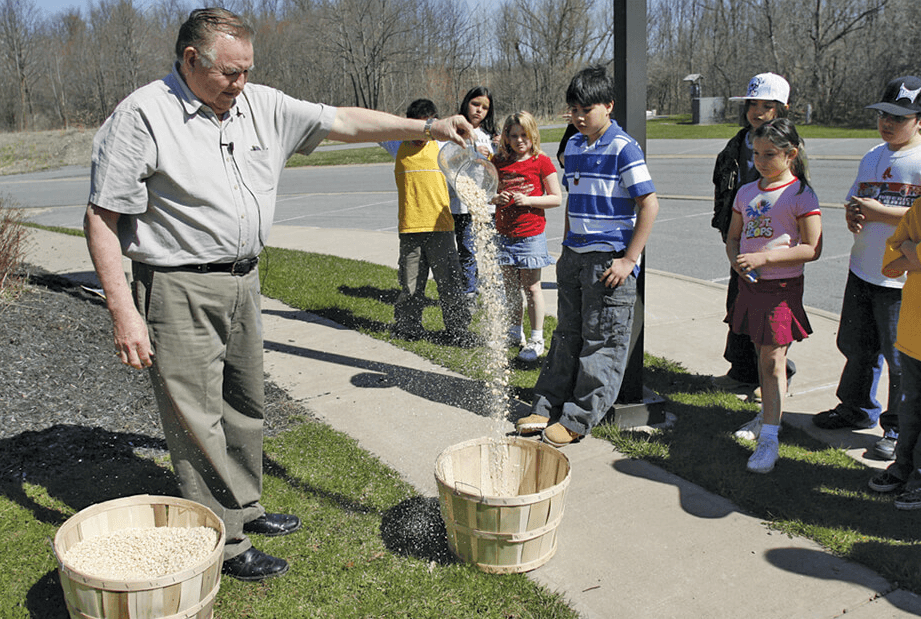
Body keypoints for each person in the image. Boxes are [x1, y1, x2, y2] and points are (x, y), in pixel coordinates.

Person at [83, 8, 472, 582]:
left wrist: (428, 129)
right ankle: (226, 540)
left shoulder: (259, 103)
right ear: (192, 60)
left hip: (245, 278)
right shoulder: (143, 115)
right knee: (197, 416)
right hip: (178, 284)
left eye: (247, 71)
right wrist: (123, 311)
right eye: (230, 74)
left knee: (244, 402)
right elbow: (102, 215)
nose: (240, 84)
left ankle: (246, 505)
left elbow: (342, 120)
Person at [513, 65, 659, 446]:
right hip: (574, 256)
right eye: (573, 110)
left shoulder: (623, 147)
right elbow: (574, 205)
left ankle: (579, 418)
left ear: (608, 106)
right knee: (567, 335)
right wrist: (565, 249)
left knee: (603, 341)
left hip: (608, 261)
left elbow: (649, 204)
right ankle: (545, 406)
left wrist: (629, 260)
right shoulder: (574, 146)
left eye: (586, 110)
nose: (578, 117)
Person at [813, 76, 921, 461]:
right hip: (862, 269)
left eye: (899, 117)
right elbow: (856, 199)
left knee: (899, 360)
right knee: (856, 346)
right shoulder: (873, 154)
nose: (887, 123)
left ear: (919, 120)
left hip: (901, 278)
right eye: (883, 115)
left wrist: (879, 212)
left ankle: (895, 427)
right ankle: (854, 407)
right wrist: (854, 213)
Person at [725, 118, 822, 473]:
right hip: (751, 285)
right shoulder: (747, 193)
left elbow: (812, 248)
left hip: (781, 289)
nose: (761, 161)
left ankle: (770, 438)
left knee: (772, 361)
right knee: (761, 356)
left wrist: (765, 257)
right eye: (756, 154)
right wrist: (737, 263)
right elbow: (734, 237)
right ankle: (768, 416)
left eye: (770, 154)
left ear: (790, 154)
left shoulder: (800, 195)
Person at [712, 73, 797, 399]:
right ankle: (741, 371)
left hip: (775, 246)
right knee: (740, 307)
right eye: (752, 104)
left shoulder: (789, 148)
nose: (757, 112)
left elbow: (798, 195)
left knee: (774, 314)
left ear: (782, 108)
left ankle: (778, 374)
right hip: (742, 240)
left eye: (767, 106)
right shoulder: (736, 144)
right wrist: (727, 230)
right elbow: (723, 188)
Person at [380, 99, 474, 346]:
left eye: (427, 128)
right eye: (416, 128)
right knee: (410, 286)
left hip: (441, 228)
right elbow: (378, 127)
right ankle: (408, 328)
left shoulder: (443, 147)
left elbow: (470, 167)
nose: (421, 136)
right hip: (410, 230)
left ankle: (457, 330)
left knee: (450, 284)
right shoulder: (396, 145)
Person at [490, 111, 562, 362]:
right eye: (514, 136)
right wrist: (495, 199)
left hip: (530, 235)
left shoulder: (541, 161)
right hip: (504, 235)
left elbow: (556, 198)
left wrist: (528, 199)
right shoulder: (497, 161)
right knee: (510, 289)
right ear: (506, 138)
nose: (520, 140)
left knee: (531, 288)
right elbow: (485, 191)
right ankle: (513, 332)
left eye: (525, 135)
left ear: (533, 135)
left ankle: (536, 338)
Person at [868, 192, 921, 509]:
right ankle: (902, 469)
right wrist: (910, 251)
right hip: (914, 329)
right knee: (911, 407)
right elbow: (893, 258)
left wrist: (912, 251)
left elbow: (906, 250)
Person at [450, 86, 499, 303]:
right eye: (475, 104)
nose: (479, 110)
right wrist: (472, 153)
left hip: (487, 201)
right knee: (468, 250)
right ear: (466, 103)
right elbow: (448, 161)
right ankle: (468, 292)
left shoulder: (490, 135)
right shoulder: (454, 130)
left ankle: (488, 288)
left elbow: (497, 168)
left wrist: (499, 150)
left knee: (487, 247)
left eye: (485, 107)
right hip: (463, 202)